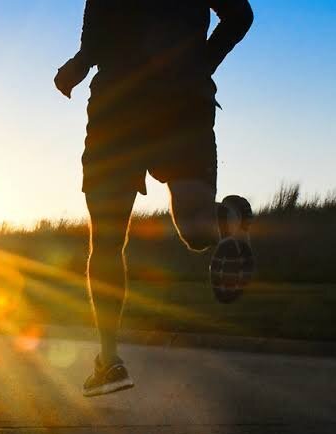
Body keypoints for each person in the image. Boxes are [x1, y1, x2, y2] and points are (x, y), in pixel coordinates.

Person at [54, 0, 255, 397]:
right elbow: (240, 15)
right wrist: (200, 65)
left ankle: (109, 362)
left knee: (107, 241)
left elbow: (96, 34)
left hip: (119, 106)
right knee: (198, 229)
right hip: (183, 100)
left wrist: (77, 65)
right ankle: (229, 221)